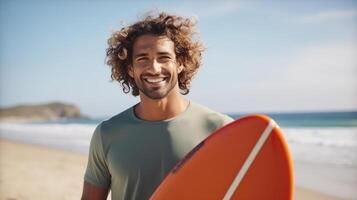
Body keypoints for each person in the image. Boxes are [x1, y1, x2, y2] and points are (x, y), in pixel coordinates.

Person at [81, 12, 233, 200]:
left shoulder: (220, 129)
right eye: (142, 58)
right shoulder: (107, 134)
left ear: (180, 63)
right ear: (130, 68)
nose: (154, 68)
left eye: (163, 57)